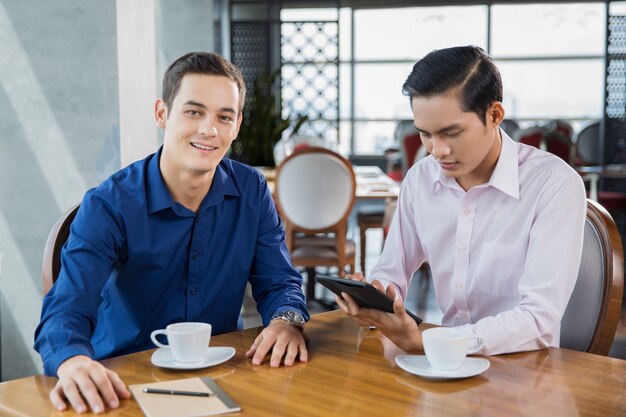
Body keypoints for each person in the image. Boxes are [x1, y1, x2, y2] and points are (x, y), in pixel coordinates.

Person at [34, 52, 309, 414]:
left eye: (223, 117)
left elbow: (279, 282)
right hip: (125, 382)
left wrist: (287, 321)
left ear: (237, 125)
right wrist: (73, 362)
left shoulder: (252, 190)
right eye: (194, 112)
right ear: (162, 114)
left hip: (225, 377)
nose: (209, 130)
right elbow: (65, 309)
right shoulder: (109, 204)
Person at [337, 45, 586, 355]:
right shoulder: (420, 181)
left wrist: (435, 342)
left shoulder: (554, 186)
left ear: (494, 115)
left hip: (527, 370)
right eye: (425, 134)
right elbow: (390, 272)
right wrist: (376, 299)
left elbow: (538, 319)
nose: (436, 150)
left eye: (451, 133)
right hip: (443, 366)